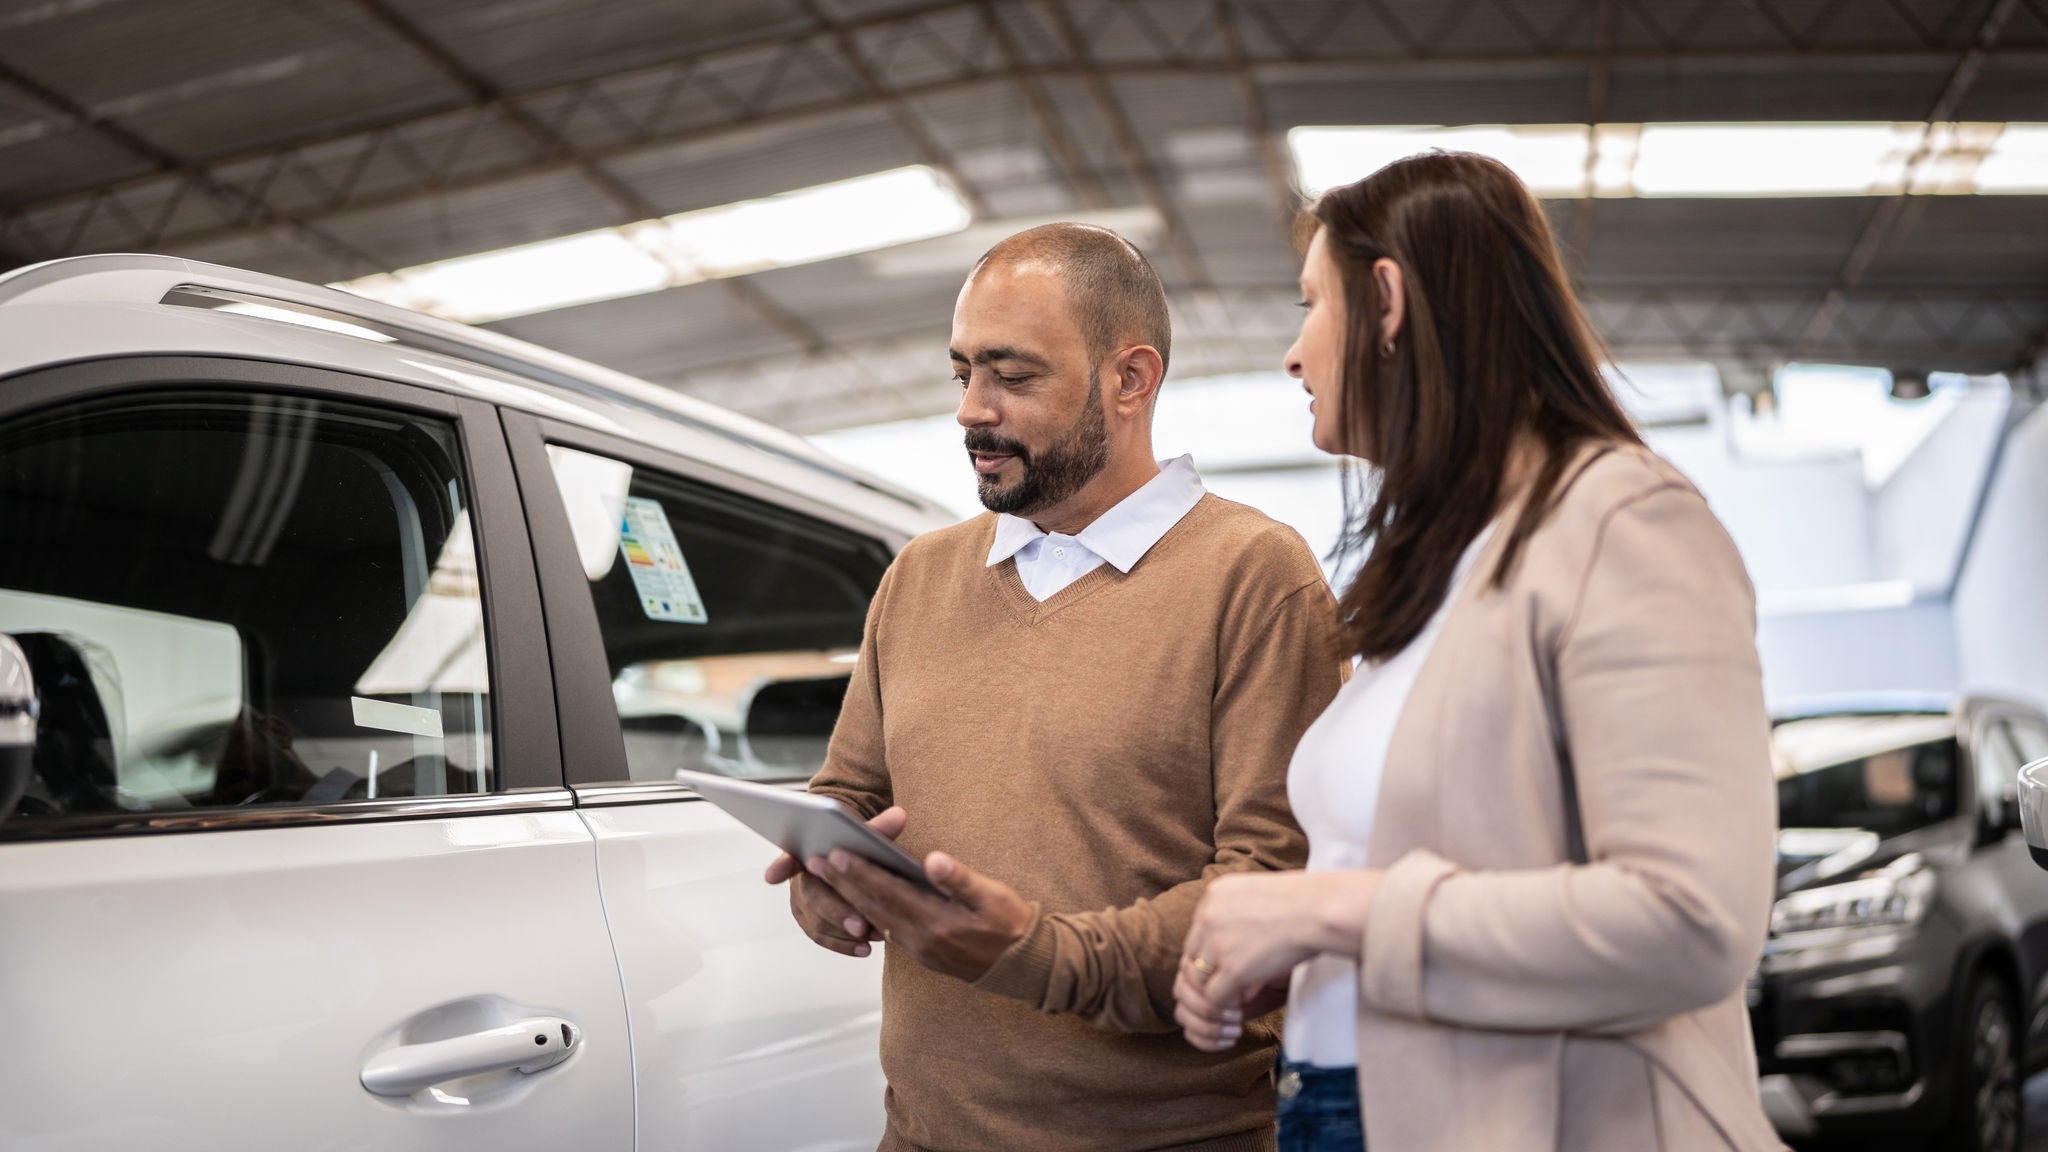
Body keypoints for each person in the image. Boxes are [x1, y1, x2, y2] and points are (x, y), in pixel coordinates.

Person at [1173, 153, 1783, 1152]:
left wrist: (1328, 913)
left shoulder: (1623, 524)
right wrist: (1291, 957)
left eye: (1307, 307)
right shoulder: (1444, 562)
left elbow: (1689, 922)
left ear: (1385, 302)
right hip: (1350, 1106)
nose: (1292, 355)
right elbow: (1450, 881)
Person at [763, 222, 1344, 1151]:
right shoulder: (920, 575)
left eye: (1012, 376)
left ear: (1130, 380)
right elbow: (852, 793)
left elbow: (1272, 886)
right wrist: (824, 878)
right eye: (962, 374)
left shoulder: (1253, 574)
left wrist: (1031, 955)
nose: (971, 410)